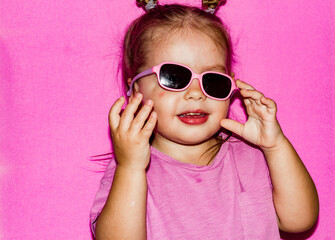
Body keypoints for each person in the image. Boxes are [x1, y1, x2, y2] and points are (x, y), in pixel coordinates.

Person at [90, 2, 319, 239]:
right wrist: (131, 168)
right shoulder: (130, 171)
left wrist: (275, 145)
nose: (196, 93)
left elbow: (299, 221)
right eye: (175, 77)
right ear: (136, 87)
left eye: (212, 80)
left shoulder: (252, 156)